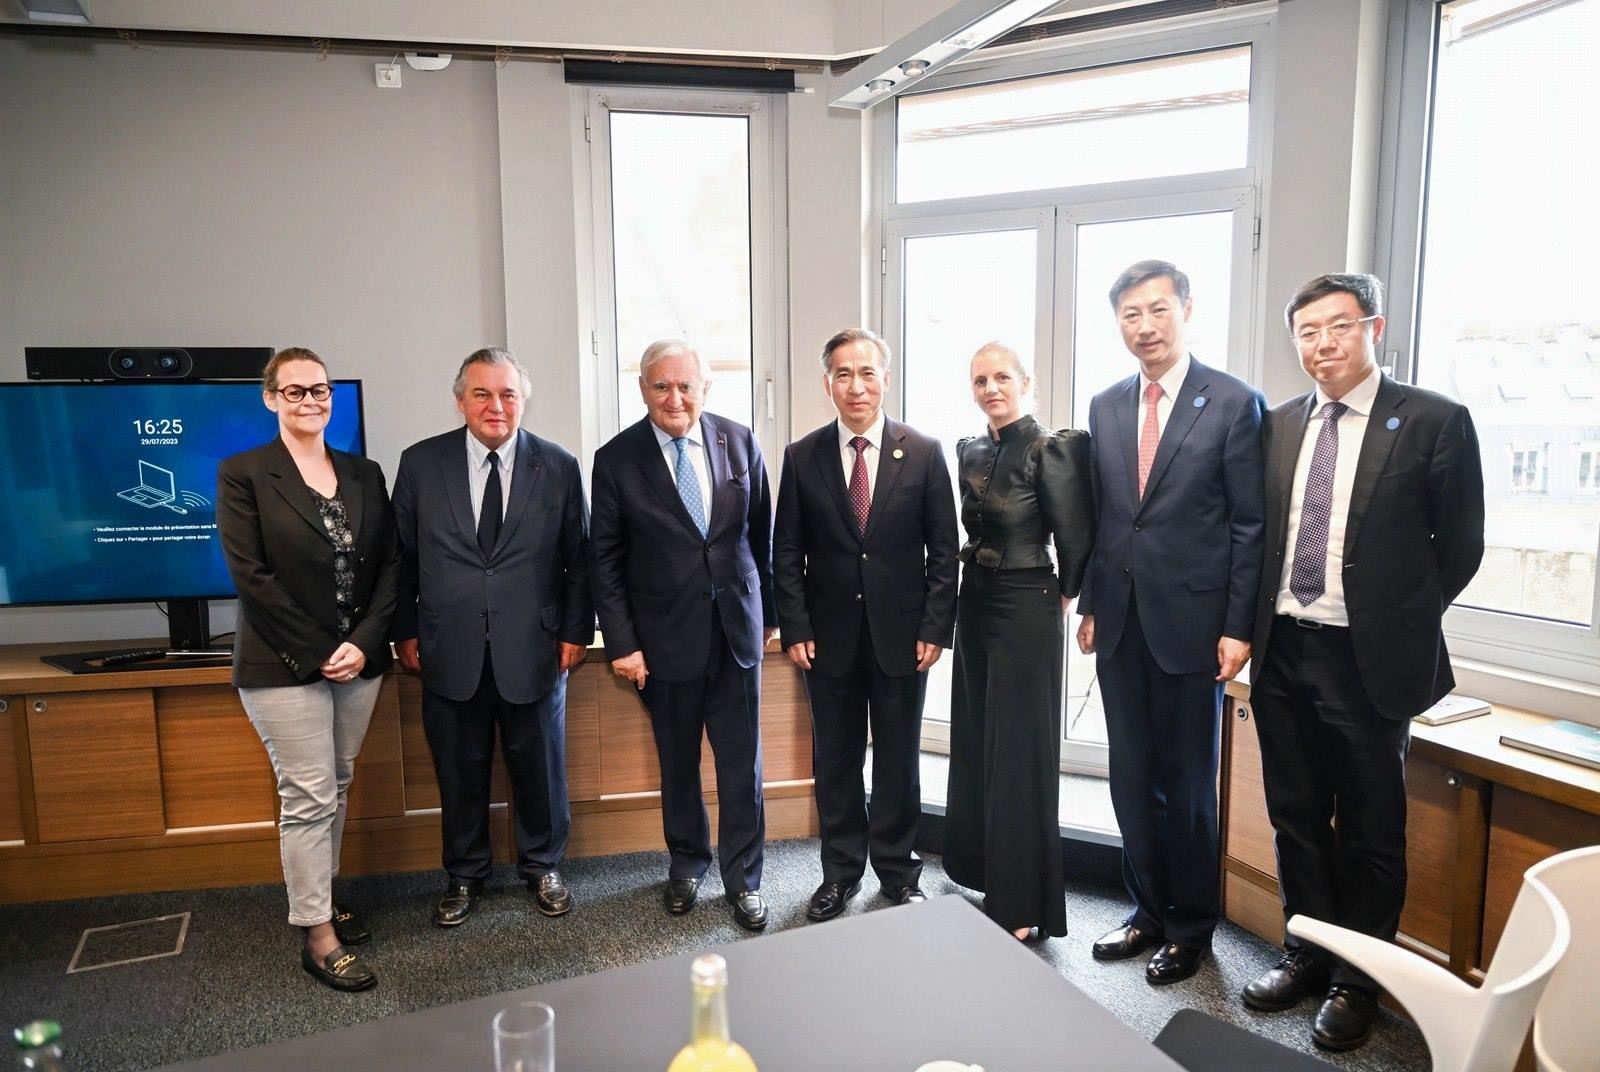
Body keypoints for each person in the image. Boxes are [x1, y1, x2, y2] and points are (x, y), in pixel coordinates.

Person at [1241, 274, 1484, 1052]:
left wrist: (1396, 621)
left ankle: (1358, 980)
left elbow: (1462, 546)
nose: (1323, 344)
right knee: (1296, 817)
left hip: (1366, 658)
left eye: (1339, 326)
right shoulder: (1279, 425)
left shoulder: (1434, 421)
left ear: (1373, 329)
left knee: (1373, 828)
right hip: (1284, 648)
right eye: (1308, 331)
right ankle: (1307, 952)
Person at [1077, 260, 1266, 984]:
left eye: (1158, 309)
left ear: (1186, 310)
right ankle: (1147, 911)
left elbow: (1249, 525)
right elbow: (1106, 517)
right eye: (1131, 314)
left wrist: (1238, 627)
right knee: (1131, 778)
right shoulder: (1106, 405)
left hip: (1195, 628)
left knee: (1188, 787)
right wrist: (1092, 604)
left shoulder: (1233, 402)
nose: (1145, 326)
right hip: (1121, 624)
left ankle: (1190, 927)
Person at [217, 346, 400, 992]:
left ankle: (321, 896)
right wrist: (324, 648)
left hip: (360, 661)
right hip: (281, 662)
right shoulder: (244, 474)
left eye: (319, 390)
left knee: (337, 784)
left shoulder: (363, 473)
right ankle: (318, 938)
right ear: (271, 398)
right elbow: (252, 578)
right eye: (294, 391)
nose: (309, 401)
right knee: (310, 796)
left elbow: (390, 566)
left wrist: (366, 642)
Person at [390, 348, 593, 928]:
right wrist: (404, 629)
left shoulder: (558, 465)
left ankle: (543, 866)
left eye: (508, 394)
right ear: (461, 401)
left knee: (541, 769)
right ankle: (463, 875)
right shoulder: (421, 464)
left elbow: (578, 560)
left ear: (523, 401)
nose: (496, 406)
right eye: (482, 394)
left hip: (535, 646)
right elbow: (400, 558)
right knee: (459, 769)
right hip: (447, 646)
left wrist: (576, 631)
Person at [589, 339, 777, 931]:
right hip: (663, 641)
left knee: (742, 767)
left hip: (737, 636)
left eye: (685, 386)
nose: (675, 398)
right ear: (643, 389)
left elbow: (762, 535)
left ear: (705, 388)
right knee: (677, 763)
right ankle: (688, 863)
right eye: (661, 386)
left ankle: (744, 879)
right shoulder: (616, 459)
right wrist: (622, 643)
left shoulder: (739, 441)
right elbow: (605, 561)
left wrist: (770, 617)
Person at [773, 328, 959, 922]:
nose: (856, 386)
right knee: (836, 761)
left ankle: (899, 872)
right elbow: (786, 552)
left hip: (903, 638)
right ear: (827, 383)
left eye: (867, 372)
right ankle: (840, 873)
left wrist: (935, 627)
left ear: (886, 379)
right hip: (826, 640)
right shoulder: (801, 456)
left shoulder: (923, 451)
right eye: (843, 374)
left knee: (899, 761)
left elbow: (944, 551)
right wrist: (796, 626)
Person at [943, 342, 1094, 941]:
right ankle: (983, 872)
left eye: (1002, 377)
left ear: (1025, 382)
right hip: (975, 602)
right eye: (980, 380)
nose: (991, 389)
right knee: (979, 737)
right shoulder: (969, 449)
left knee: (1019, 753)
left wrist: (1064, 598)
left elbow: (1076, 539)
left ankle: (1023, 902)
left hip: (1028, 604)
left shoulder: (1051, 448)